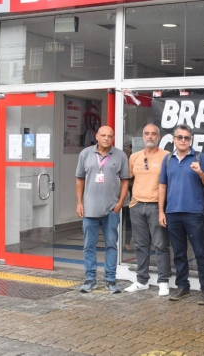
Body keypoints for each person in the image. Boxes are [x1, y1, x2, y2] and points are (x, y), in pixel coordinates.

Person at [159, 124, 204, 305]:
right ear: (174, 139)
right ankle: (182, 285)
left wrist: (199, 172)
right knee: (179, 252)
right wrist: (161, 210)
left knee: (200, 252)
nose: (183, 140)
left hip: (194, 212)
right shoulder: (167, 160)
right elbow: (162, 186)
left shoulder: (199, 158)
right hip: (173, 212)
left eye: (187, 138)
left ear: (191, 140)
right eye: (180, 137)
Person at [75, 126, 129, 294]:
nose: (106, 138)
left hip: (111, 210)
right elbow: (79, 179)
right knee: (88, 246)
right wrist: (79, 202)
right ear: (96, 136)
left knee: (111, 245)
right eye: (103, 135)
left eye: (110, 136)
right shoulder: (85, 154)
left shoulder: (120, 155)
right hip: (89, 210)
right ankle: (90, 279)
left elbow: (125, 180)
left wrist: (120, 203)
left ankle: (110, 280)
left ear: (113, 138)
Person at [124, 125, 172, 296]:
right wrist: (129, 201)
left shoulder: (167, 157)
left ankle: (163, 281)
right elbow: (128, 181)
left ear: (158, 137)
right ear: (143, 136)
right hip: (137, 206)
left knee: (161, 245)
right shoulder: (134, 157)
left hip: (156, 206)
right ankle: (141, 280)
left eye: (153, 134)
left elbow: (169, 183)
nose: (150, 136)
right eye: (147, 133)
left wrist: (163, 208)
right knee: (140, 246)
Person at [122, 141, 133, 252]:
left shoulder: (134, 158)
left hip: (131, 193)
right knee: (121, 220)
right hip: (123, 194)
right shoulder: (121, 158)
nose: (127, 149)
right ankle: (123, 242)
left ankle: (126, 242)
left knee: (128, 220)